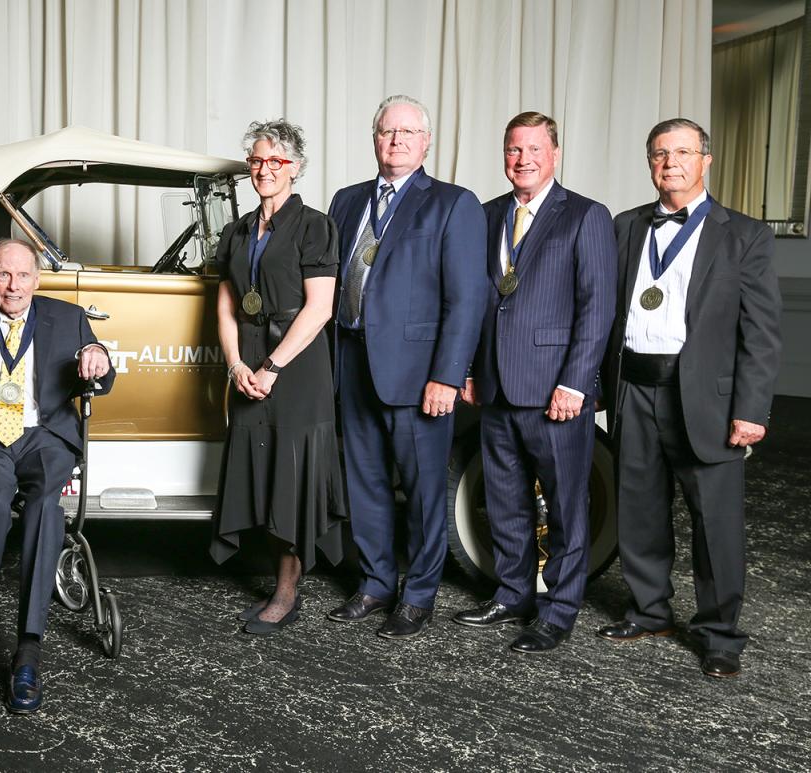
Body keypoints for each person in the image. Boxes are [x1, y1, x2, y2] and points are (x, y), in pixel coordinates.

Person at [597, 119, 781, 678]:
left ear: (706, 160)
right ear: (649, 163)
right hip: (633, 387)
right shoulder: (625, 226)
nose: (669, 162)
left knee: (716, 520)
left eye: (681, 152)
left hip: (706, 396)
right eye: (659, 153)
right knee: (640, 509)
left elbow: (762, 332)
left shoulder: (744, 234)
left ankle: (720, 631)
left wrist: (751, 409)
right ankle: (650, 609)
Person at [455, 111, 616, 653]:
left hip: (556, 392)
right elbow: (477, 302)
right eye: (513, 150)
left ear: (556, 155)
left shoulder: (586, 216)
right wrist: (472, 369)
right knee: (504, 498)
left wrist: (576, 382)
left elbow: (597, 310)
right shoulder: (485, 214)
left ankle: (559, 608)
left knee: (568, 504)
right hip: (497, 384)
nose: (523, 160)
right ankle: (512, 593)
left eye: (534, 149)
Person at [0, 238, 114, 714]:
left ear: (37, 278)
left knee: (44, 511)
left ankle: (28, 651)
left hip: (45, 436)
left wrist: (98, 355)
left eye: (22, 276)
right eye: (3, 275)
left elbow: (102, 373)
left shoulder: (69, 318)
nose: (12, 286)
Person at [327, 96, 486, 639]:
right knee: (364, 482)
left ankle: (418, 594)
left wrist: (448, 373)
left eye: (407, 132)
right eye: (386, 131)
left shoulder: (452, 203)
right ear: (374, 138)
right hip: (350, 359)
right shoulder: (346, 201)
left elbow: (466, 300)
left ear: (426, 142)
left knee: (420, 491)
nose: (395, 141)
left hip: (419, 375)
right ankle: (375, 583)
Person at [210, 120, 347, 635]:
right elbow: (225, 305)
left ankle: (286, 594)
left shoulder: (315, 226)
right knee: (261, 470)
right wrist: (237, 365)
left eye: (276, 162)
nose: (264, 169)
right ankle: (275, 580)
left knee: (291, 474)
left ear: (296, 167)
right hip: (248, 361)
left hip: (297, 364)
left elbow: (319, 309)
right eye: (257, 160)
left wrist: (271, 366)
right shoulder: (239, 229)